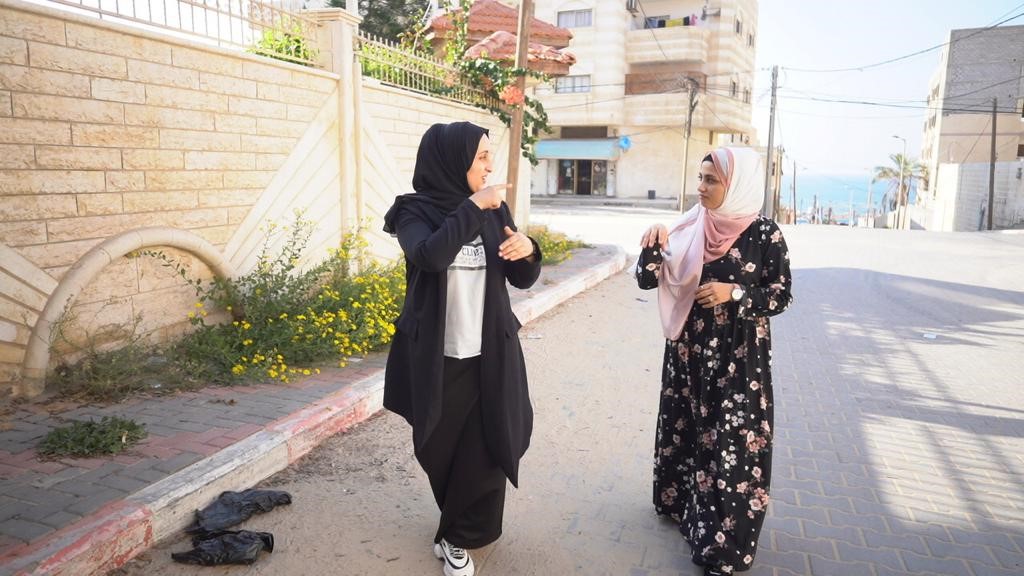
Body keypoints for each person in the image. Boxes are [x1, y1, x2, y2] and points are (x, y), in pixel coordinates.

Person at [382, 122, 541, 576]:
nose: (489, 165)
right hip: (437, 356)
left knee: (489, 447)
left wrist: (528, 249)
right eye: (481, 157)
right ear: (453, 162)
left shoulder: (494, 208)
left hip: (490, 352)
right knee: (439, 449)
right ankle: (452, 522)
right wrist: (473, 207)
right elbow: (430, 256)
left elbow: (522, 277)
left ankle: (459, 538)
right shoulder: (414, 212)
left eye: (490, 155)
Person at [640, 146, 792, 576]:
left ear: (736, 184)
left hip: (739, 359)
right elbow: (646, 278)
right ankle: (680, 506)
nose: (701, 187)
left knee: (731, 446)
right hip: (688, 354)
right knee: (688, 431)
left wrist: (736, 293)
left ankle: (722, 549)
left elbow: (781, 295)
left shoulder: (765, 235)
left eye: (712, 180)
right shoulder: (688, 225)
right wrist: (653, 244)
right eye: (701, 178)